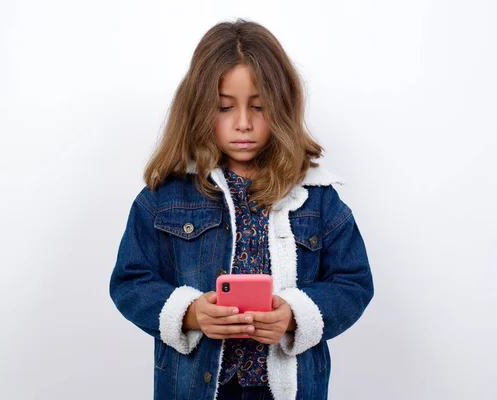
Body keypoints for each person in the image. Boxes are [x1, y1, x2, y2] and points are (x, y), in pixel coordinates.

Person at [109, 18, 374, 400]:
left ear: (281, 107)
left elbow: (354, 282)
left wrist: (294, 316)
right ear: (199, 108)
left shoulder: (316, 196)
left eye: (259, 107)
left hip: (285, 386)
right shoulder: (165, 196)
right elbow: (129, 281)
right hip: (196, 385)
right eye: (224, 107)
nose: (244, 124)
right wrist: (191, 312)